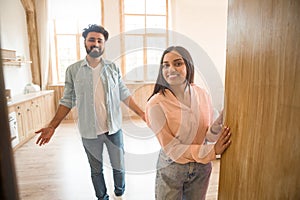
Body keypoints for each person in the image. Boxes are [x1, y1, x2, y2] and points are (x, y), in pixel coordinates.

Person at [35, 24, 145, 200]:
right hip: (89, 132)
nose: (96, 43)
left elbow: (124, 93)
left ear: (104, 44)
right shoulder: (73, 70)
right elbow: (67, 100)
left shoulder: (113, 68)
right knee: (96, 170)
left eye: (99, 40)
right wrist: (52, 126)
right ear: (85, 42)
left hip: (114, 129)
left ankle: (119, 192)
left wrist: (143, 114)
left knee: (119, 166)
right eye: (91, 39)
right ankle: (102, 197)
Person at [145, 46, 231, 200]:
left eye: (178, 63)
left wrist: (219, 122)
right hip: (172, 168)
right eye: (166, 65)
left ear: (188, 66)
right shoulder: (155, 104)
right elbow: (173, 149)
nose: (171, 69)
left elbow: (208, 136)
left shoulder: (201, 94)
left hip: (201, 169)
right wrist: (212, 151)